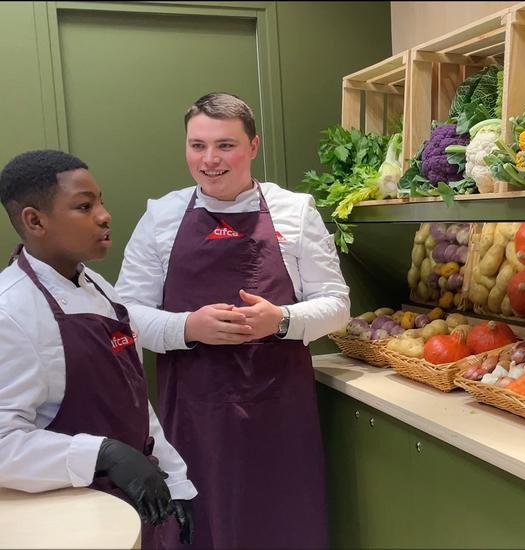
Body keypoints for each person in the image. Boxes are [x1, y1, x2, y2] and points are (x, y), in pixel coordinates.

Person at [115, 92, 350, 549]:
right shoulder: (161, 217)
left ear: (254, 146)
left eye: (225, 145)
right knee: (203, 523)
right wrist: (188, 327)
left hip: (279, 407)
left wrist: (281, 320)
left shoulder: (294, 212)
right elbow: (126, 315)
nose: (209, 160)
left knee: (282, 520)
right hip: (195, 412)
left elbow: (336, 305)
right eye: (197, 145)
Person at [0, 150, 196, 548]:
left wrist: (176, 482)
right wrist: (102, 454)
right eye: (84, 206)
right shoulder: (11, 312)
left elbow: (135, 401)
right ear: (35, 221)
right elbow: (4, 444)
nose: (105, 215)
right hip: (67, 521)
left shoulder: (102, 290)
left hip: (136, 506)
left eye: (100, 201)